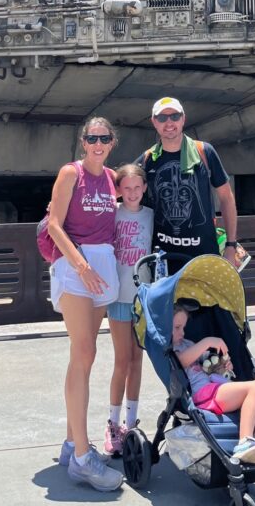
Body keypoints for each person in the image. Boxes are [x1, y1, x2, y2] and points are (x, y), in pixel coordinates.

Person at [48, 117, 123, 492]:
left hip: (103, 267)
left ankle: (68, 443)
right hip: (76, 266)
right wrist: (81, 266)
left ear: (112, 143)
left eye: (103, 138)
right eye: (92, 137)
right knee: (85, 350)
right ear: (83, 141)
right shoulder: (70, 172)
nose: (97, 143)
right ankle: (81, 457)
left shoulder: (111, 178)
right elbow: (54, 224)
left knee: (84, 357)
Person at [172, 304, 255, 464]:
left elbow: (209, 365)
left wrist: (223, 366)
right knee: (254, 388)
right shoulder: (172, 349)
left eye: (183, 327)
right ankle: (244, 443)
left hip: (214, 387)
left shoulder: (188, 343)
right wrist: (207, 342)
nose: (182, 333)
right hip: (203, 395)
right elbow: (182, 361)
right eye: (177, 327)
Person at [138, 96, 239, 270]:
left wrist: (231, 245)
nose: (169, 122)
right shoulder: (148, 159)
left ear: (183, 118)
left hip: (204, 255)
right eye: (162, 118)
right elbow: (120, 186)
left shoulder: (204, 152)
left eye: (174, 116)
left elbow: (226, 198)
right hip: (163, 259)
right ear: (154, 122)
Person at [104, 163, 154, 455]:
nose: (133, 193)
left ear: (145, 188)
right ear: (118, 190)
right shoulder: (112, 214)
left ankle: (131, 421)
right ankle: (112, 423)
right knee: (121, 360)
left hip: (142, 297)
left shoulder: (151, 216)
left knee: (137, 361)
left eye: (138, 187)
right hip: (119, 296)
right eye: (127, 188)